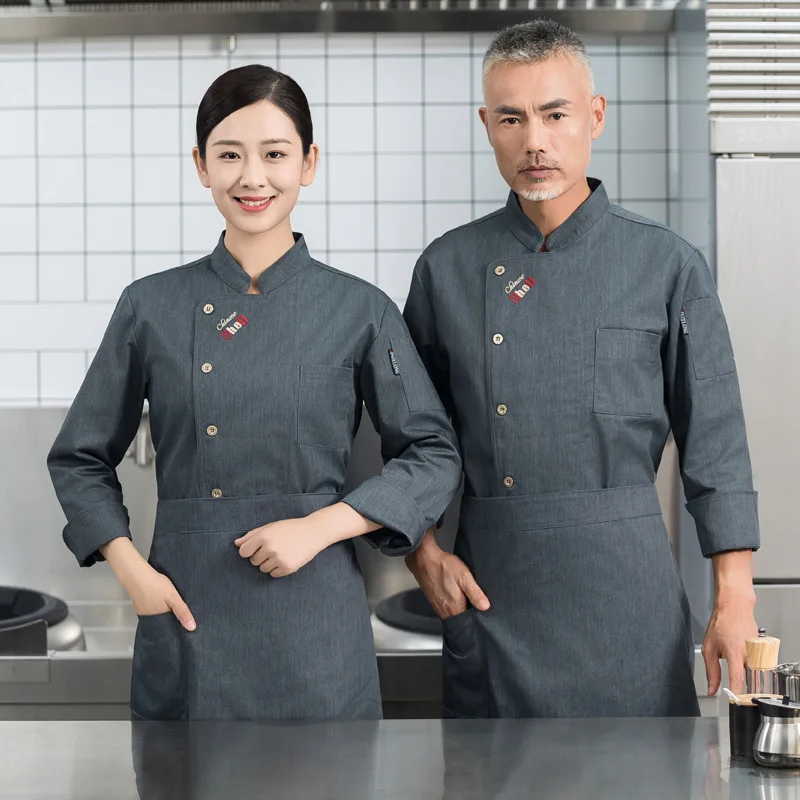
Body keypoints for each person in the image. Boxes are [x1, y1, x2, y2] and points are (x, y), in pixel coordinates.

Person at [47, 64, 461, 721]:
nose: (253, 177)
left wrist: (321, 527)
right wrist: (133, 575)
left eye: (275, 154)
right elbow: (78, 458)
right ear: (200, 165)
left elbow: (433, 454)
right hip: (186, 614)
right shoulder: (149, 307)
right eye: (229, 155)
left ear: (309, 163)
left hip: (315, 630)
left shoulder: (361, 309)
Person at [403, 20, 759, 718]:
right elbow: (409, 436)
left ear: (593, 117)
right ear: (488, 126)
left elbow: (715, 439)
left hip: (625, 599)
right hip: (492, 594)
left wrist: (735, 598)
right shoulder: (445, 269)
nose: (534, 140)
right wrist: (423, 554)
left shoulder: (666, 265)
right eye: (512, 118)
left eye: (554, 114)